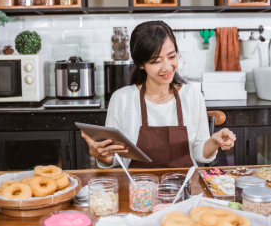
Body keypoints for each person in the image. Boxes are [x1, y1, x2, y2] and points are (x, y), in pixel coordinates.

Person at [81, 20, 236, 168]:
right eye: (156, 61)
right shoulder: (122, 99)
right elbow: (114, 158)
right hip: (138, 188)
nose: (167, 67)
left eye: (172, 56)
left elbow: (198, 153)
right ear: (141, 64)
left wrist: (214, 142)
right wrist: (100, 154)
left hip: (185, 185)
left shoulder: (192, 96)